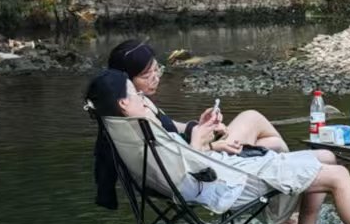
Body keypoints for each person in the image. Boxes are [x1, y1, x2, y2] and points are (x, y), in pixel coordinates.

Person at [85, 64, 350, 224]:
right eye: (132, 91)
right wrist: (201, 139)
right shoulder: (140, 126)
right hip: (221, 183)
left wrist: (198, 135)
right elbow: (183, 167)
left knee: (325, 157)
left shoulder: (121, 128)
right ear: (123, 103)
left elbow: (175, 163)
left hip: (207, 177)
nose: (139, 95)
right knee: (338, 174)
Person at [105, 39, 287, 154]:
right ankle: (287, 213)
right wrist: (213, 146)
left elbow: (173, 130)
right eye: (146, 75)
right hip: (202, 166)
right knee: (254, 120)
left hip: (194, 157)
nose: (156, 78)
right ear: (125, 79)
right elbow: (176, 157)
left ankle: (286, 214)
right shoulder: (138, 116)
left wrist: (202, 126)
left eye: (156, 70)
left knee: (273, 143)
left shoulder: (134, 104)